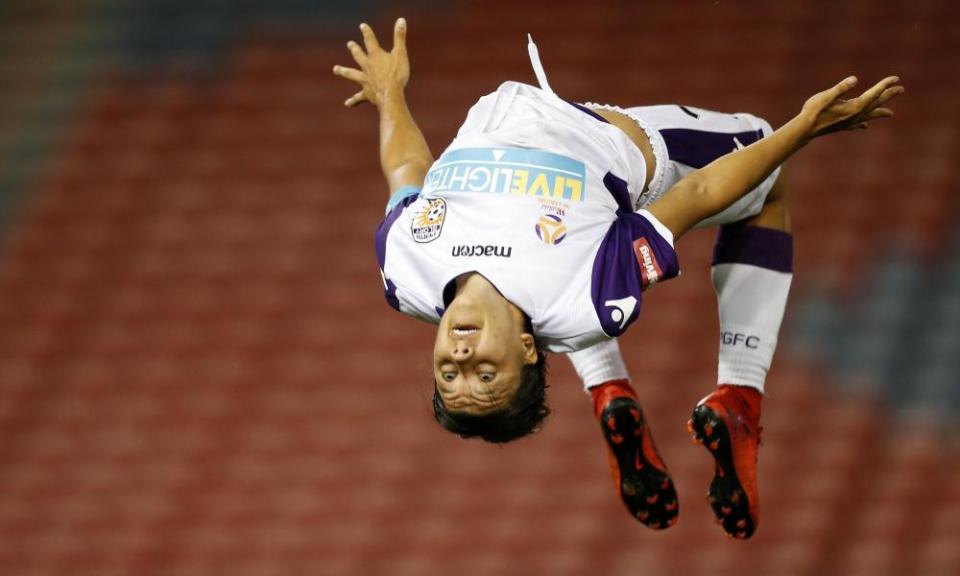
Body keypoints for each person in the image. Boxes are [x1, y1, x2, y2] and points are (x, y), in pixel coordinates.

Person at [332, 18, 902, 538]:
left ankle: (609, 389)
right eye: (484, 369)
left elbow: (408, 170)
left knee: (572, 310)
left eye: (449, 370)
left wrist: (389, 93)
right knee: (767, 186)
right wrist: (798, 132)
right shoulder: (587, 294)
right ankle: (741, 394)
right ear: (526, 350)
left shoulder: (405, 270)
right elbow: (696, 195)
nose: (460, 352)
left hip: (533, 167)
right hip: (610, 140)